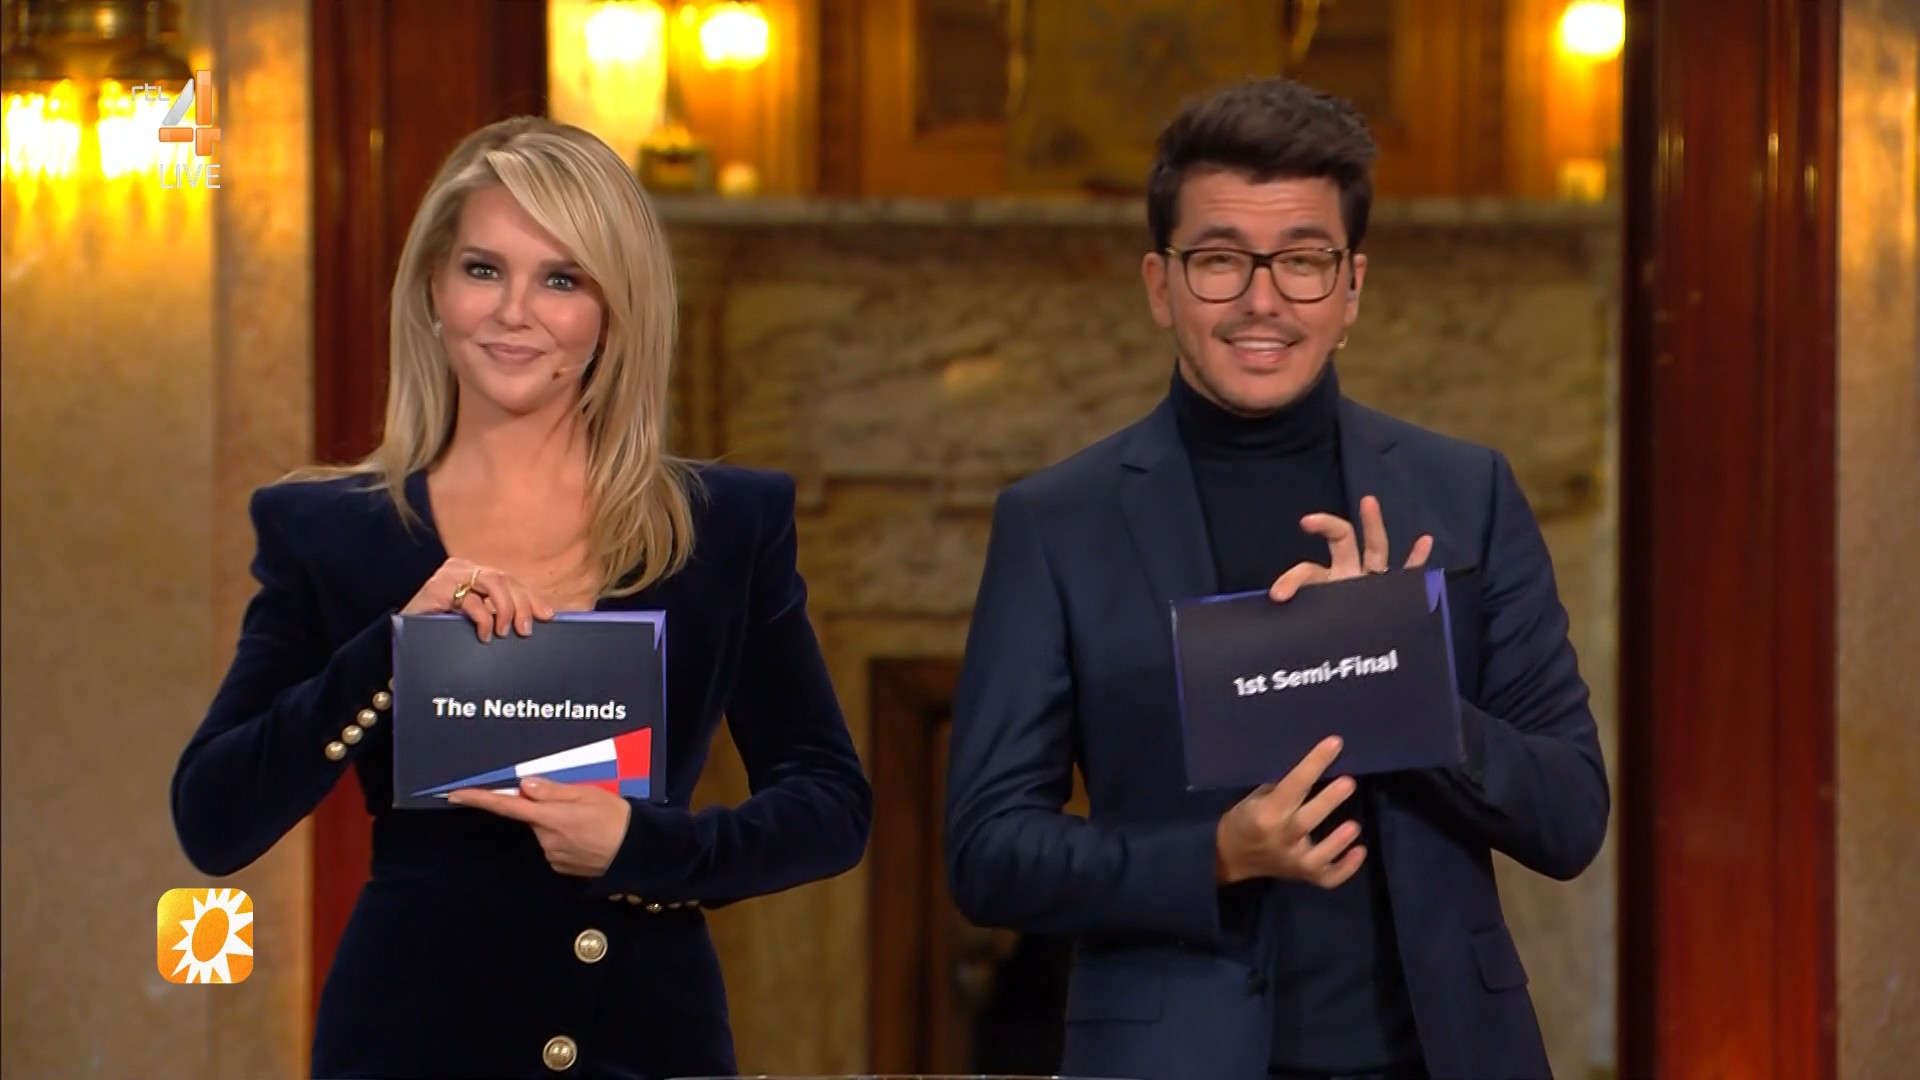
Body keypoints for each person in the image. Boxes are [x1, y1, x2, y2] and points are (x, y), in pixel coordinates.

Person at [171, 116, 873, 1079]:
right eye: (483, 269)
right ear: (433, 287)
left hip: (645, 1039)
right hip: (408, 1045)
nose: (514, 312)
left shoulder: (723, 527)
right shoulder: (329, 532)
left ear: (616, 311)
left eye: (561, 280)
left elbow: (832, 805)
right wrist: (392, 647)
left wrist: (644, 844)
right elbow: (213, 820)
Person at [944, 78, 1609, 1080]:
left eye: (1302, 260)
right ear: (1161, 285)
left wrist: (1397, 679)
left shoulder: (1465, 492)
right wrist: (1215, 854)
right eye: (1221, 260)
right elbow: (989, 853)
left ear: (1351, 288)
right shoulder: (1056, 524)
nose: (1263, 300)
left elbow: (1570, 816)